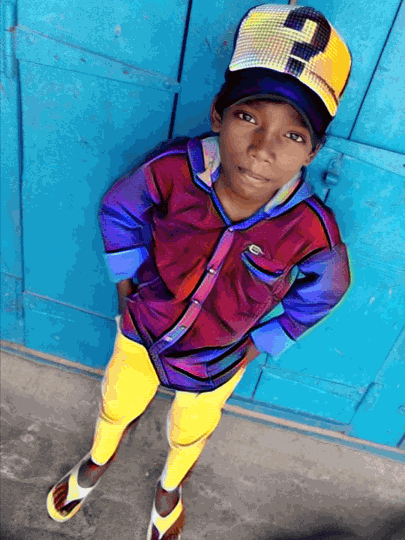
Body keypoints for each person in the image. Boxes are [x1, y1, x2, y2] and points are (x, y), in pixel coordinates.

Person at [47, 4, 352, 539]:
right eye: (248, 117)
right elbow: (120, 210)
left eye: (293, 136)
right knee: (117, 403)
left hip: (218, 357)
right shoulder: (173, 169)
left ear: (313, 151)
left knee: (191, 429)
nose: (262, 150)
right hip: (143, 328)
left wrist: (261, 343)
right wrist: (126, 288)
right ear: (217, 114)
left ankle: (169, 487)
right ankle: (98, 459)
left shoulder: (311, 231)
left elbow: (327, 289)